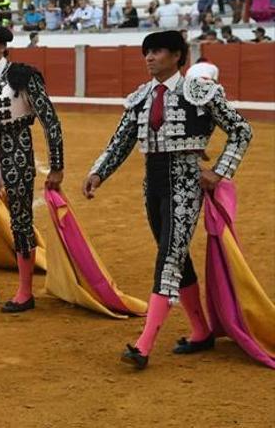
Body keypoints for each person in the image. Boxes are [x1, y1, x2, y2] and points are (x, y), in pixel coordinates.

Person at [82, 30, 252, 369]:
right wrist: (98, 172)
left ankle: (143, 346)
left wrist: (218, 171)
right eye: (147, 52)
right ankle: (201, 329)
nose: (149, 57)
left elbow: (241, 129)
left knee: (168, 257)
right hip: (154, 182)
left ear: (177, 56)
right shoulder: (141, 96)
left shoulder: (200, 90)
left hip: (186, 180)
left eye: (157, 51)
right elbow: (121, 141)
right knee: (175, 253)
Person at [0, 25, 64, 314]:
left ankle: (25, 292)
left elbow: (50, 121)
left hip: (17, 157)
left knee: (20, 223)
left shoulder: (22, 76)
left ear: (4, 46)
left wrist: (56, 166)